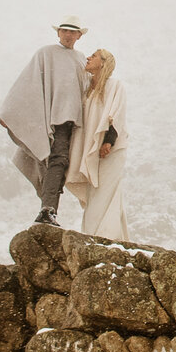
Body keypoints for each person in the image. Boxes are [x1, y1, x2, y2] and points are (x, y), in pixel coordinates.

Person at [0, 16, 87, 227]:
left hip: (75, 123)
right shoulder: (46, 54)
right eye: (64, 31)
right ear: (58, 33)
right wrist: (9, 113)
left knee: (60, 165)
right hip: (54, 121)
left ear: (79, 36)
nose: (67, 35)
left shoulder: (81, 59)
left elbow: (88, 90)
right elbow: (28, 83)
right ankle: (48, 210)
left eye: (72, 32)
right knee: (57, 161)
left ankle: (48, 210)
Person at [67, 47, 131, 240]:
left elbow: (117, 113)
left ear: (103, 62)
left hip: (110, 148)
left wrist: (108, 141)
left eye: (93, 56)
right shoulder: (87, 90)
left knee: (105, 190)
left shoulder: (114, 85)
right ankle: (110, 236)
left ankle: (103, 236)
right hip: (91, 149)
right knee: (95, 190)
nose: (88, 58)